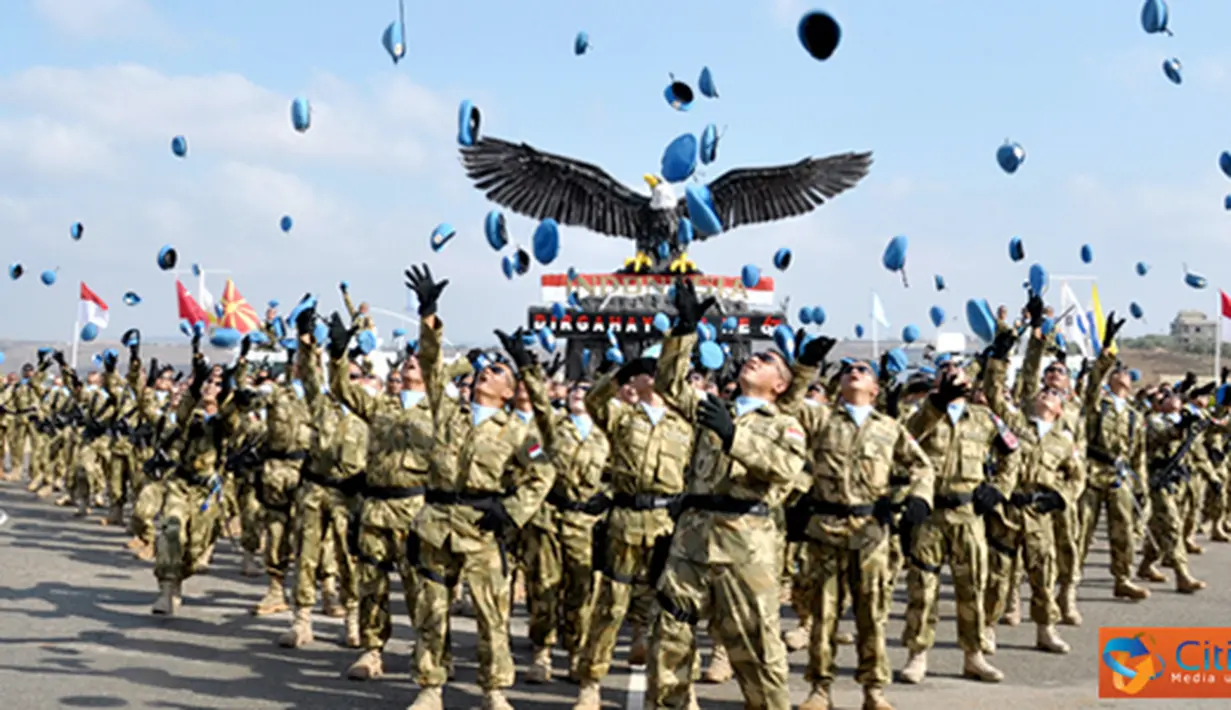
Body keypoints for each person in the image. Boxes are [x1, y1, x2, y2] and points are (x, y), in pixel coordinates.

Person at [646, 279, 809, 710]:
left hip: (745, 546)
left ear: (780, 385)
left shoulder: (783, 425)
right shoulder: (713, 406)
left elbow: (784, 470)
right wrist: (683, 330)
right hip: (691, 541)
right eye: (754, 355)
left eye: (768, 360)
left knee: (757, 650)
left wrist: (733, 435)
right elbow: (668, 384)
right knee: (670, 641)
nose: (755, 359)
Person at [403, 264, 557, 710]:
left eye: (494, 373)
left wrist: (512, 510)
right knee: (433, 611)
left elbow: (542, 472)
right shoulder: (447, 413)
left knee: (492, 615)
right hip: (436, 524)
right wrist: (429, 313)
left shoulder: (516, 432)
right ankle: (430, 688)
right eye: (481, 370)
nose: (482, 375)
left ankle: (494, 690)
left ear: (509, 392)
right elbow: (431, 365)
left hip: (482, 528)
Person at [784, 343, 936, 710]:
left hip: (870, 533)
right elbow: (785, 406)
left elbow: (922, 466)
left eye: (864, 370)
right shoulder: (820, 419)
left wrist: (919, 498)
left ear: (876, 389)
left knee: (872, 614)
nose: (855, 371)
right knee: (824, 615)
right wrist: (804, 367)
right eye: (850, 369)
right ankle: (820, 689)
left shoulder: (890, 428)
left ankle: (873, 690)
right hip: (825, 529)